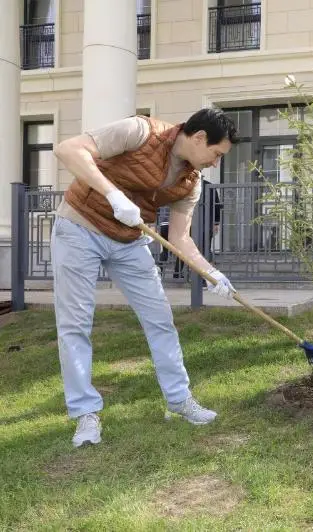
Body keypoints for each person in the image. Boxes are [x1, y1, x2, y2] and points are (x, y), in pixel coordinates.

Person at [52, 108, 239, 447]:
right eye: (216, 154)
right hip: (79, 227)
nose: (216, 163)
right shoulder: (140, 131)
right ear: (199, 138)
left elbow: (180, 237)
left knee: (161, 320)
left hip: (129, 241)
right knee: (75, 324)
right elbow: (68, 149)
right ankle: (85, 413)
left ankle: (179, 400)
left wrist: (210, 272)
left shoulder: (190, 182)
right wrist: (112, 194)